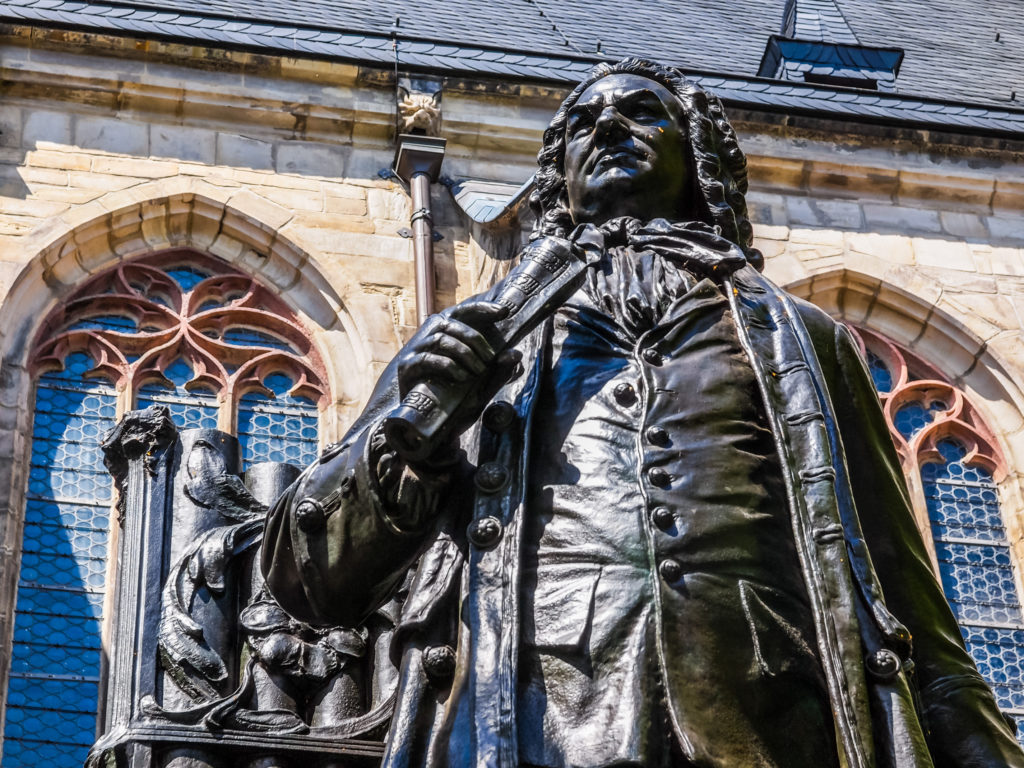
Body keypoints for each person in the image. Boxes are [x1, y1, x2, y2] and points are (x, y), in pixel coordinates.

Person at [262, 58, 1024, 767]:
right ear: (557, 175)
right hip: (531, 724)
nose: (609, 128)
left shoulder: (805, 339)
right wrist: (414, 441)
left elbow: (912, 603)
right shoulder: (484, 332)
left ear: (698, 162)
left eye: (640, 113)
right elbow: (310, 577)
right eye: (585, 123)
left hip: (777, 723)